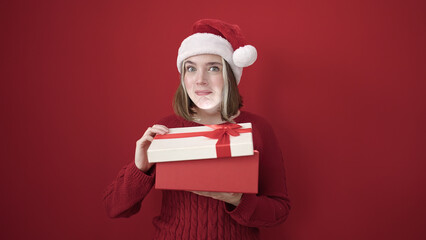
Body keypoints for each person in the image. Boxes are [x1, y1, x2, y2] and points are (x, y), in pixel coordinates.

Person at [103, 19, 290, 240]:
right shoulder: (166, 130)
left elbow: (279, 211)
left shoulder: (258, 129)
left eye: (213, 68)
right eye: (191, 68)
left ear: (230, 75)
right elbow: (114, 207)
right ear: (183, 77)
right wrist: (140, 168)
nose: (200, 80)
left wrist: (237, 199)